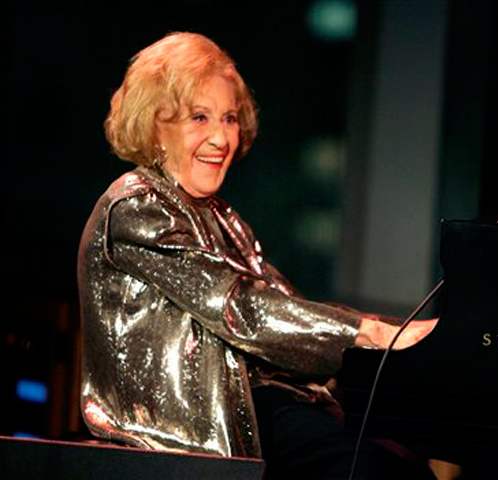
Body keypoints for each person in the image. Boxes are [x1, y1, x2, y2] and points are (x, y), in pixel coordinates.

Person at [78, 32, 437, 479]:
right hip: (196, 427)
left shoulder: (221, 216)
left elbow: (283, 305)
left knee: (403, 461)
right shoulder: (136, 206)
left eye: (229, 118)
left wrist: (394, 330)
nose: (221, 138)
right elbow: (242, 310)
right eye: (199, 117)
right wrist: (372, 334)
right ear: (155, 125)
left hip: (254, 404)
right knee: (375, 470)